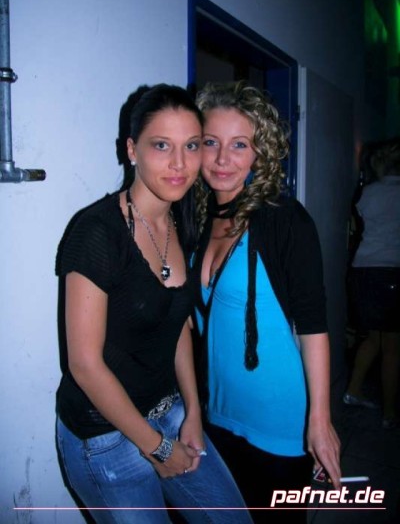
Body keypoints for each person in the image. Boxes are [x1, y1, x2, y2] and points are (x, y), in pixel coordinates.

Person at [55, 83, 253, 524]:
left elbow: (175, 323)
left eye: (192, 146)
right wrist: (158, 448)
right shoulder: (97, 233)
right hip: (104, 434)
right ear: (132, 150)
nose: (180, 164)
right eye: (162, 145)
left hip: (169, 412)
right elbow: (84, 365)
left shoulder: (183, 219)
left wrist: (193, 411)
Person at [190, 80, 341, 523]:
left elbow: (312, 327)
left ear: (260, 152)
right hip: (217, 414)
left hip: (278, 421)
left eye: (240, 144)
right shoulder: (198, 217)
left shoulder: (285, 220)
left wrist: (320, 420)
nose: (222, 159)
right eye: (211, 142)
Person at [344, 138, 400, 429]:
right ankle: (390, 413)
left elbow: (363, 221)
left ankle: (353, 391)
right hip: (390, 271)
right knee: (392, 345)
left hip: (364, 269)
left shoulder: (369, 191)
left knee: (374, 338)